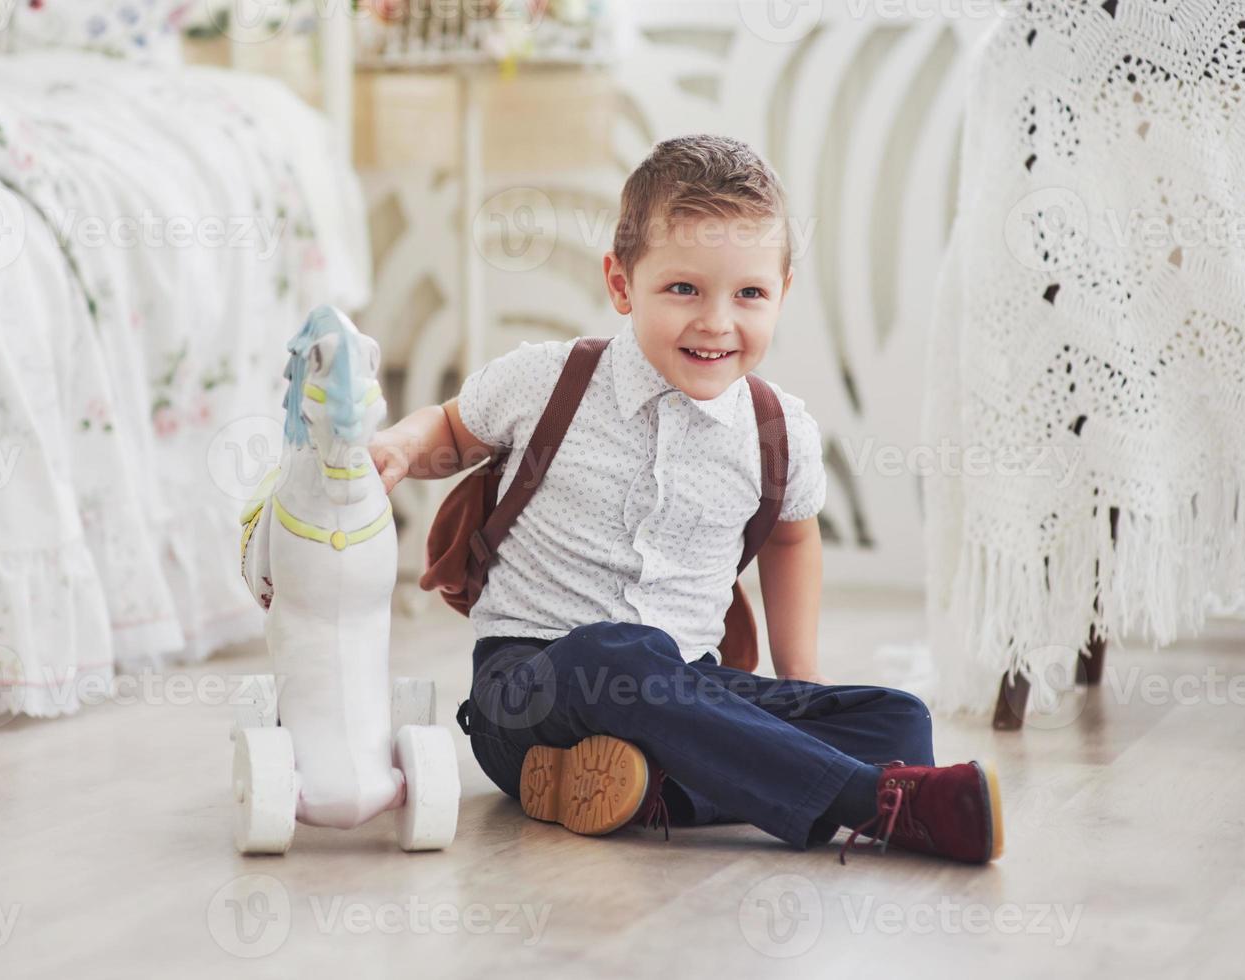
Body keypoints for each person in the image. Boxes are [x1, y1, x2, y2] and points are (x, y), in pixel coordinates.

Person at [368, 134, 1003, 863]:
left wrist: (801, 682)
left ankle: (641, 790)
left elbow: (793, 539)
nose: (716, 321)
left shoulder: (777, 430)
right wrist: (400, 447)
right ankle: (876, 805)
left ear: (782, 294)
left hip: (689, 687)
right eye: (683, 289)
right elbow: (452, 427)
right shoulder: (548, 381)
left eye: (749, 295)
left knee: (895, 720)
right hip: (531, 692)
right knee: (623, 652)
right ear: (620, 283)